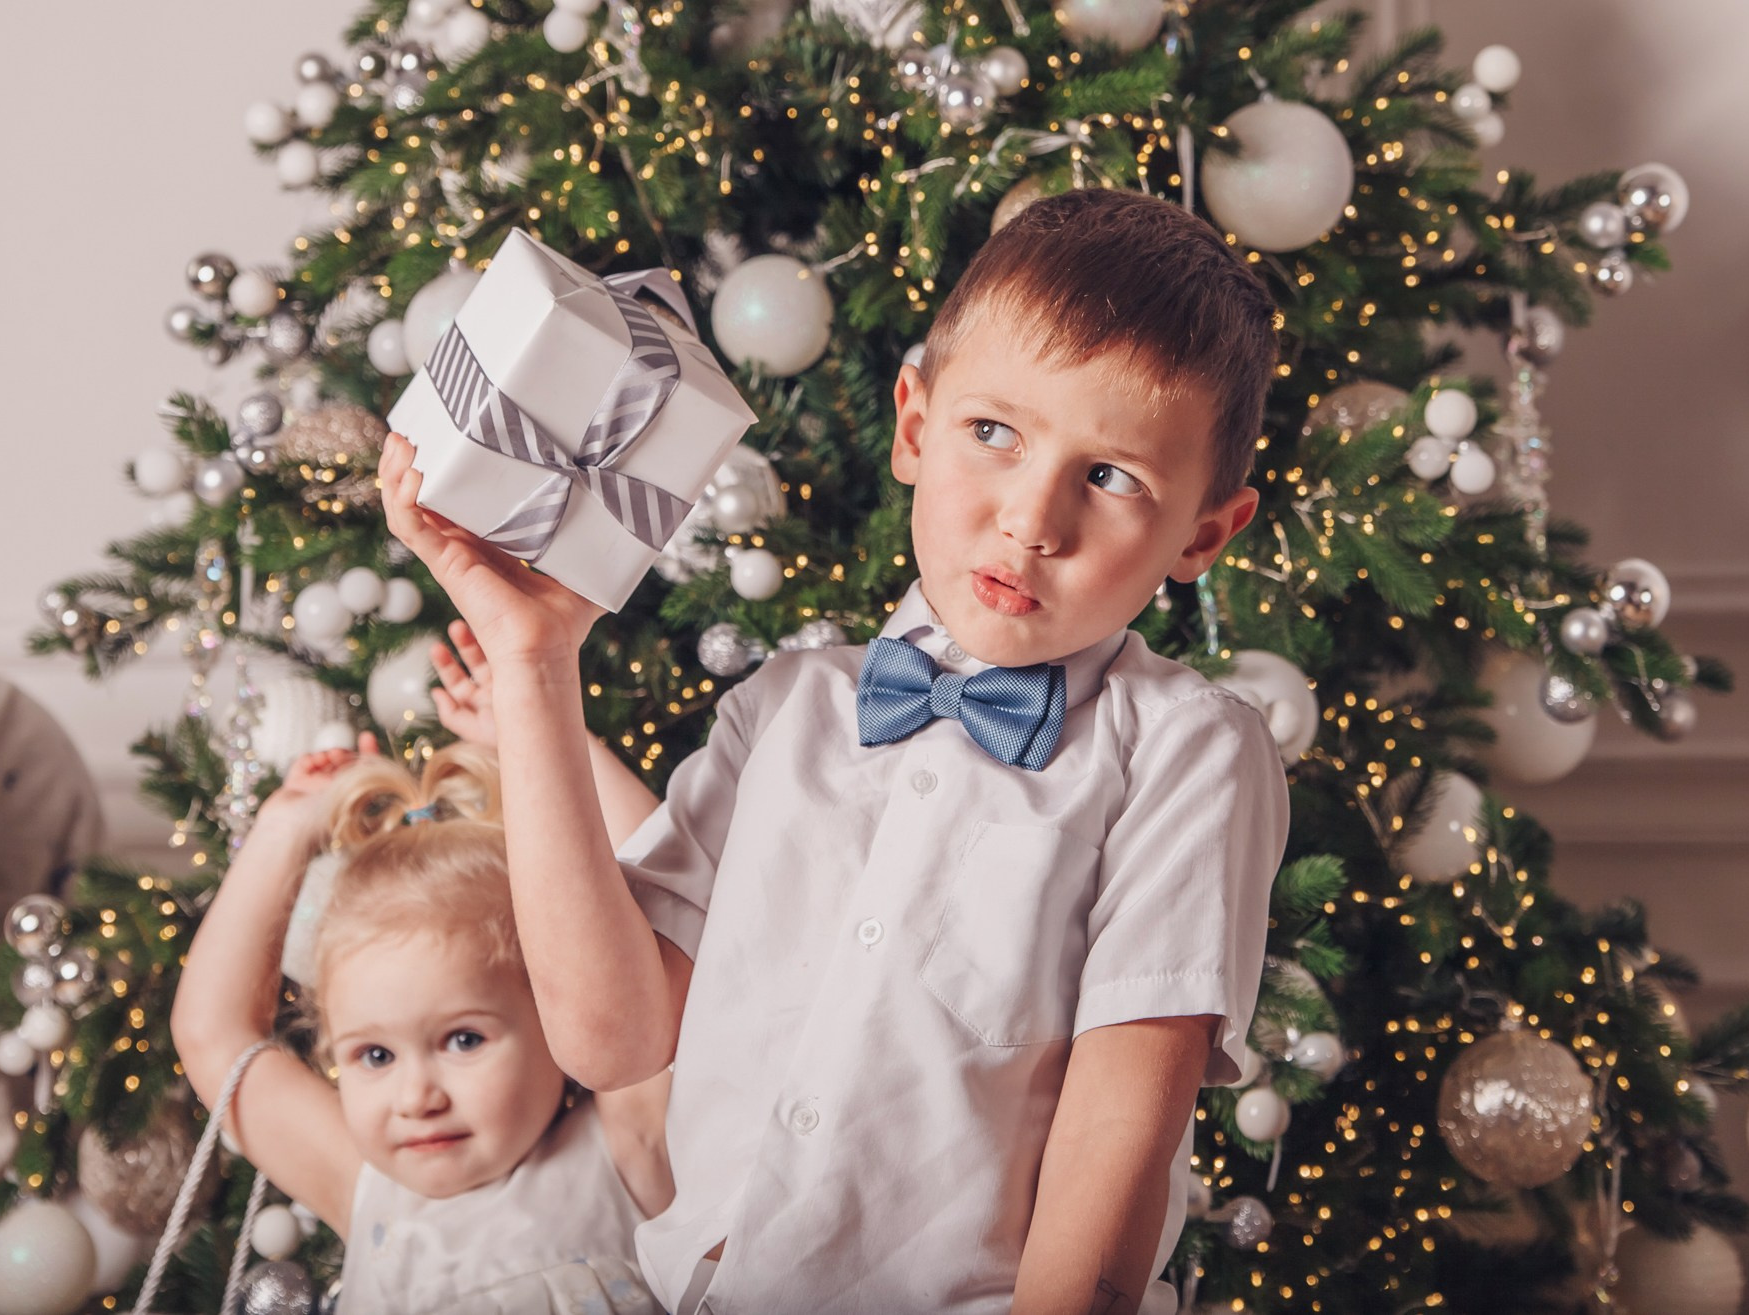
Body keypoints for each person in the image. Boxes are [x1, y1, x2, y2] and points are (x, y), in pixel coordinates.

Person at [380, 187, 1289, 1314]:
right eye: (992, 432)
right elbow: (610, 1039)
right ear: (914, 424)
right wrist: (532, 664)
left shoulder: (1188, 753)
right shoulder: (786, 706)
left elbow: (1117, 1142)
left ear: (1202, 531)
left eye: (1109, 477)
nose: (1029, 519)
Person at [170, 733, 670, 1315]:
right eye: (375, 1056)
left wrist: (549, 734)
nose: (416, 1098)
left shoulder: (627, 1153)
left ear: (560, 1016)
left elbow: (667, 930)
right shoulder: (366, 1190)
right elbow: (213, 1035)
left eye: (464, 1040)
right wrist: (285, 827)